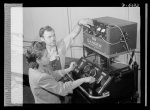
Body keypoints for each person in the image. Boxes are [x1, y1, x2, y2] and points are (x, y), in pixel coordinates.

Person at [38, 18, 94, 103]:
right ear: (42, 39)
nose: (53, 39)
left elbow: (73, 34)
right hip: (48, 87)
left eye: (54, 35)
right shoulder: (39, 54)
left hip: (61, 84)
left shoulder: (60, 46)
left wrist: (79, 23)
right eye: (49, 37)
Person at [25, 41, 95, 103]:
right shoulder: (40, 77)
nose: (49, 56)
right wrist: (84, 80)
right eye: (46, 55)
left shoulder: (35, 67)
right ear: (38, 60)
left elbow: (52, 75)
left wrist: (68, 69)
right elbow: (62, 89)